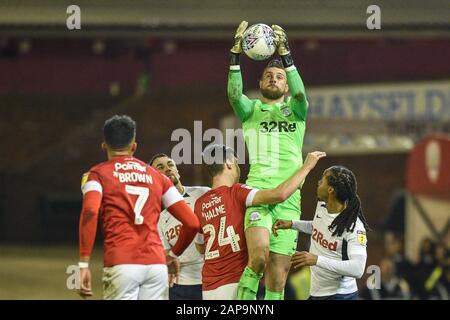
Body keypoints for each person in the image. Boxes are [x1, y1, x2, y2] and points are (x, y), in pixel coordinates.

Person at [228, 21, 310, 300]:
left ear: (285, 85)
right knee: (259, 256)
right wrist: (235, 56)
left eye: (278, 76)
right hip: (258, 192)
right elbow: (232, 94)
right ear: (260, 84)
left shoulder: (296, 111)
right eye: (268, 76)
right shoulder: (251, 110)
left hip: (289, 201)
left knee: (278, 277)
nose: (273, 79)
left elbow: (301, 94)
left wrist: (287, 56)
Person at [78, 115, 200, 300]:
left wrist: (83, 263)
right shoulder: (157, 177)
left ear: (104, 146)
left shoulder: (97, 174)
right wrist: (173, 254)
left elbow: (90, 211)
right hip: (156, 266)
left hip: (121, 262)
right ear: (134, 146)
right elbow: (191, 223)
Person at [194, 144, 325, 299]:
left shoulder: (200, 204)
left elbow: (201, 247)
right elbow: (280, 194)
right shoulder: (237, 192)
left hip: (208, 288)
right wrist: (307, 167)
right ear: (228, 163)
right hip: (237, 284)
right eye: (236, 163)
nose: (237, 168)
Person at [273, 166, 370, 300]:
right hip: (317, 294)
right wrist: (292, 224)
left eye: (322, 181)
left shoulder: (353, 226)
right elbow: (318, 227)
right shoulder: (322, 206)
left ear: (330, 190)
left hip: (341, 295)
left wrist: (316, 260)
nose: (318, 183)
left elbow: (358, 268)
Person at [150, 153, 210, 300]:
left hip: (213, 279)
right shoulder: (155, 216)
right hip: (181, 286)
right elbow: (166, 255)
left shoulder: (204, 194)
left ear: (178, 171)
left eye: (170, 165)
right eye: (160, 167)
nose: (167, 169)